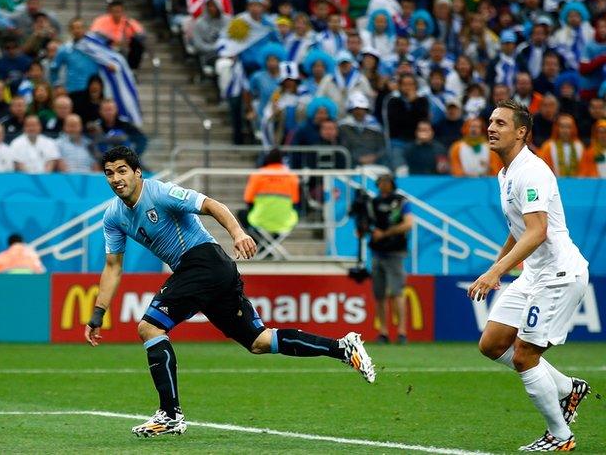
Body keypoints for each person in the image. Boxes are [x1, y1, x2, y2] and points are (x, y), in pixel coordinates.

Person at [85, 146, 374, 436]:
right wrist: (98, 313)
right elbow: (113, 267)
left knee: (150, 327)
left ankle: (170, 415)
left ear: (137, 172)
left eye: (122, 170)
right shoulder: (114, 217)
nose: (116, 178)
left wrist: (238, 233)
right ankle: (342, 348)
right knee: (259, 341)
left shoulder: (159, 192)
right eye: (109, 173)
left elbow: (212, 205)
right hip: (209, 272)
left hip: (203, 261)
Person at [467, 100, 590, 451]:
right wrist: (497, 262)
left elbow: (537, 231)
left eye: (501, 123)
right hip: (534, 274)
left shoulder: (531, 171)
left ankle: (561, 436)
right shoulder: (505, 174)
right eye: (491, 121)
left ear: (521, 132)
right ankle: (568, 388)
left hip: (558, 274)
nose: (491, 127)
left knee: (524, 356)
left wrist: (496, 271)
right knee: (491, 344)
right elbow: (519, 228)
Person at [361, 174, 414, 345]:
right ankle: (383, 332)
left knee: (397, 292)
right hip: (378, 252)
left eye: (386, 182)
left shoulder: (400, 201)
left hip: (395, 252)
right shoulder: (372, 203)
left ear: (392, 184)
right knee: (380, 294)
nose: (383, 185)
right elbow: (367, 225)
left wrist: (385, 233)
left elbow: (408, 224)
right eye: (381, 182)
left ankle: (402, 332)